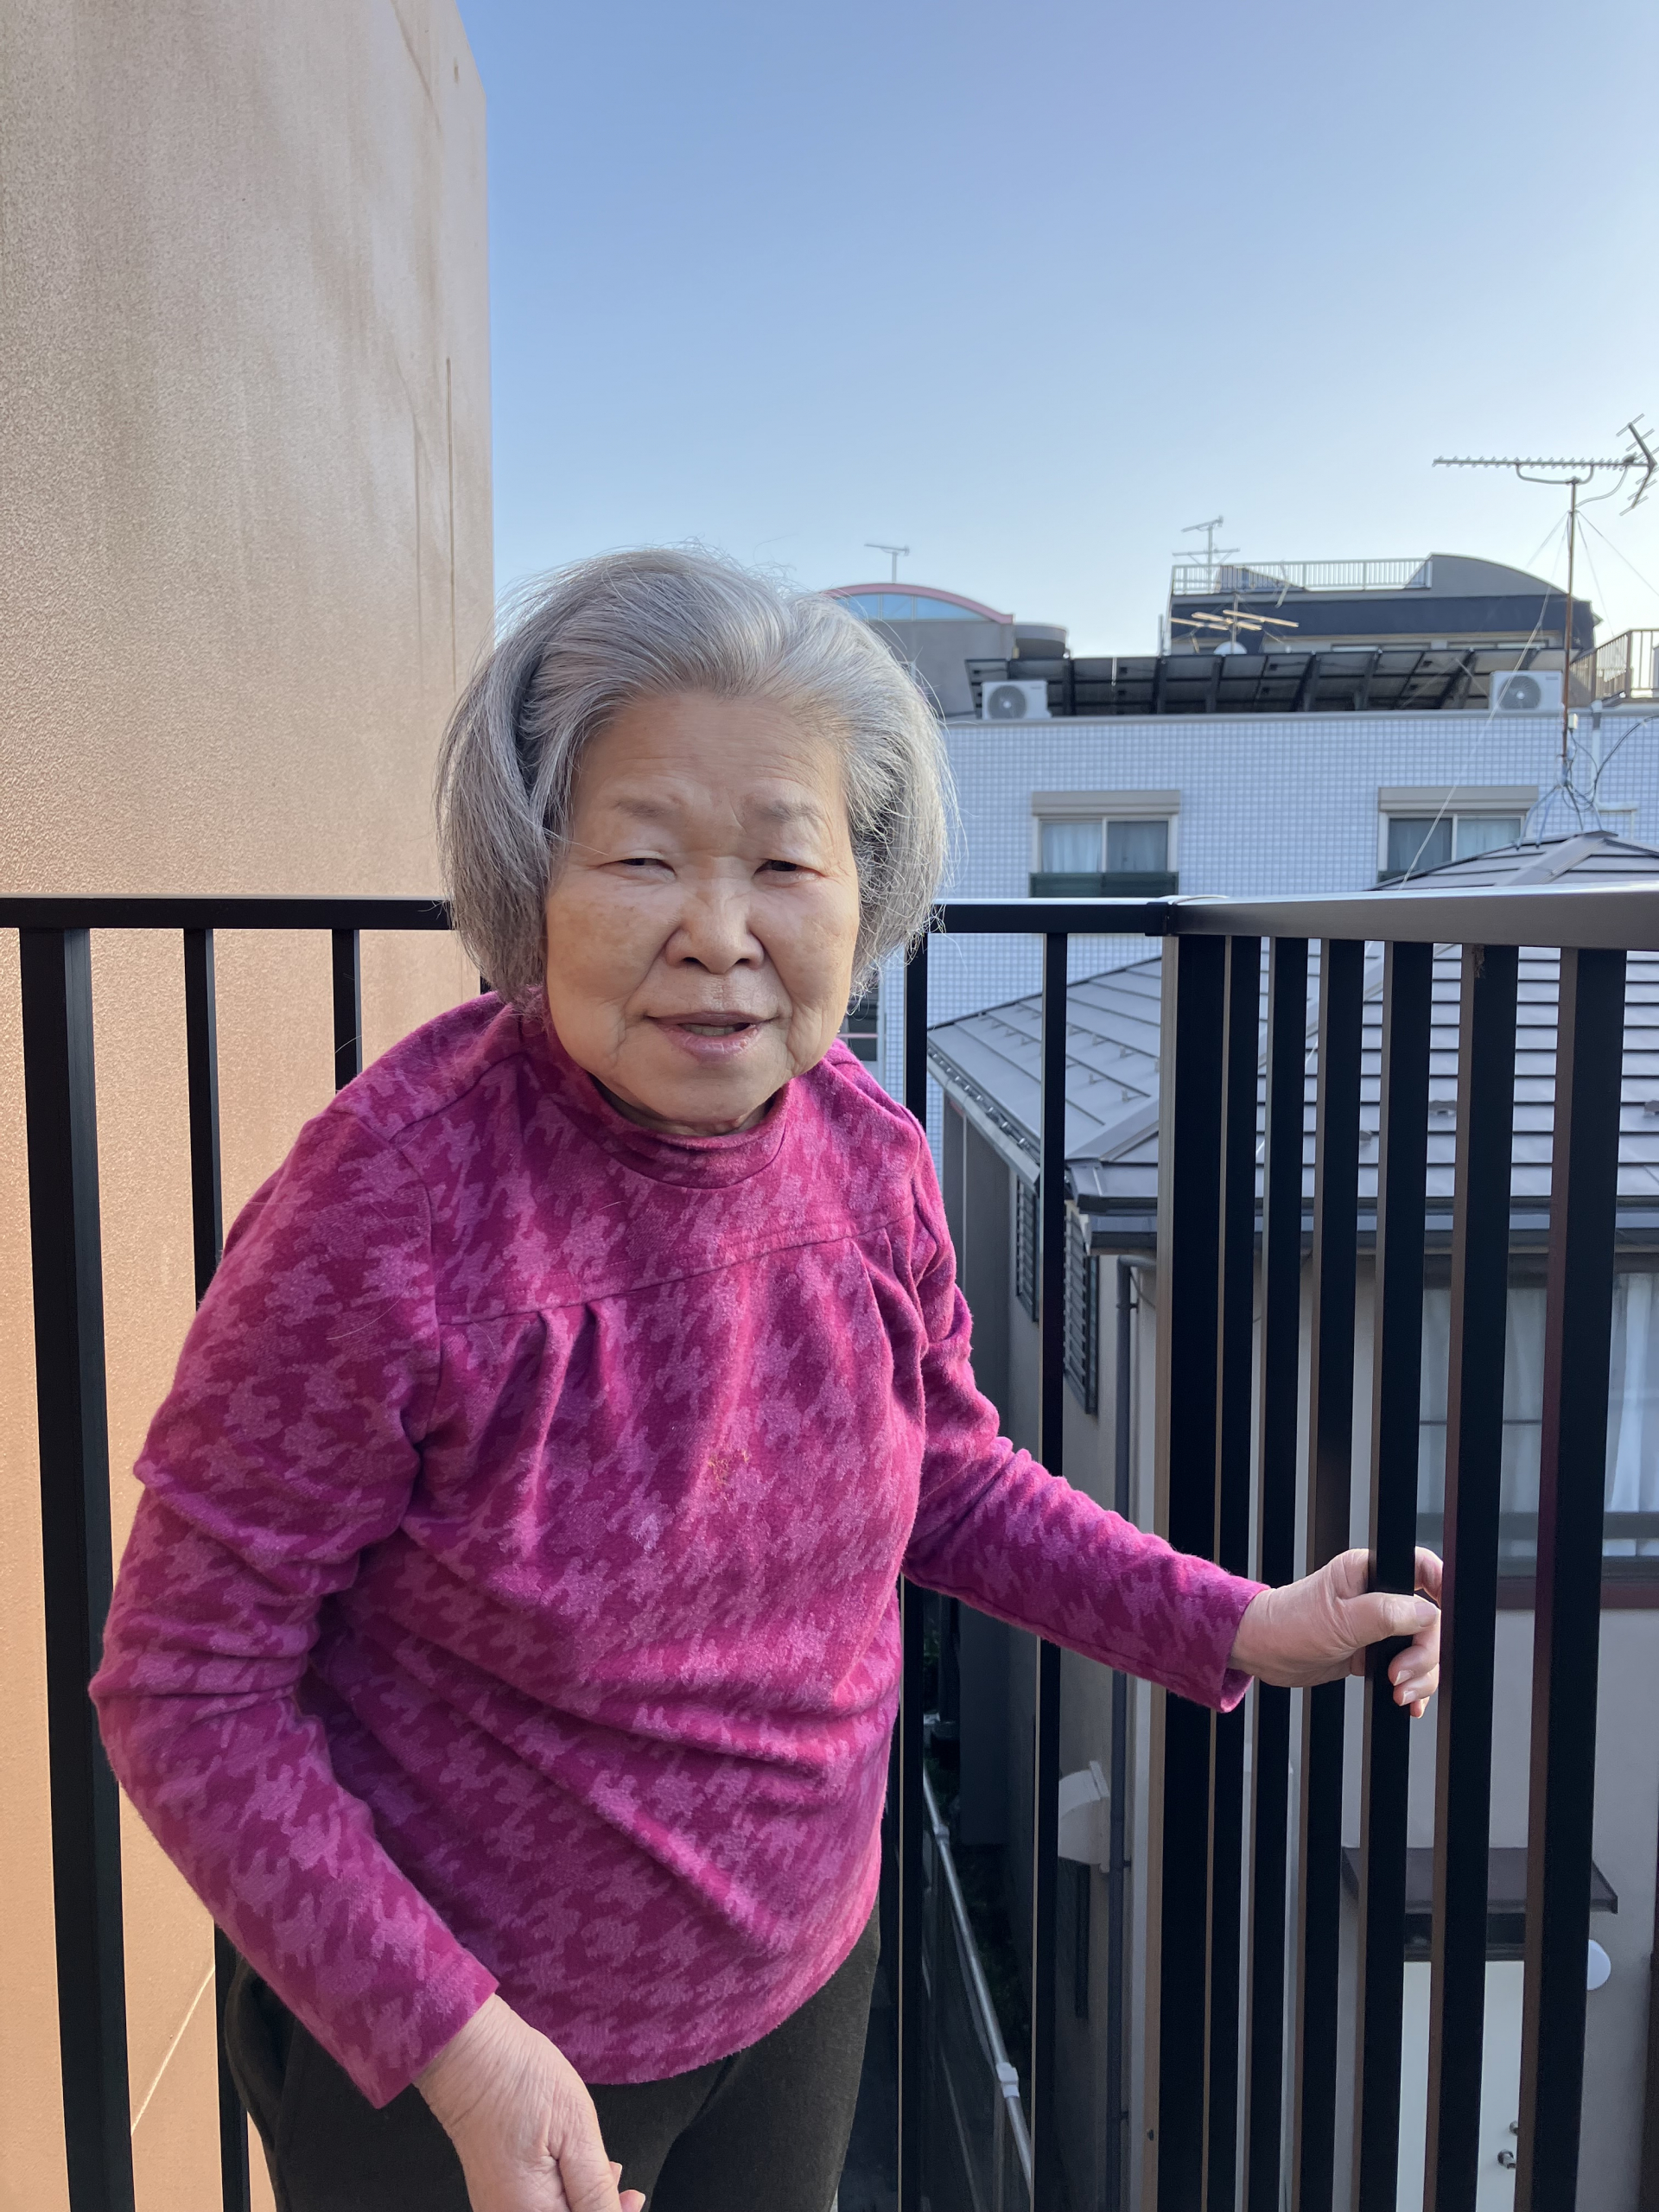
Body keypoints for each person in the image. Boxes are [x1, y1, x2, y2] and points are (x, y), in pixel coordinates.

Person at [92, 550, 1441, 2212]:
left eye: (785, 862)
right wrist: (462, 2047)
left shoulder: (869, 1155)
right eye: (643, 857)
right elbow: (187, 1688)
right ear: (531, 878)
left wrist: (1236, 1623)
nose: (718, 935)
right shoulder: (388, 1207)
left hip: (801, 1988)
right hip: (460, 2060)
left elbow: (947, 1479)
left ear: (864, 892)